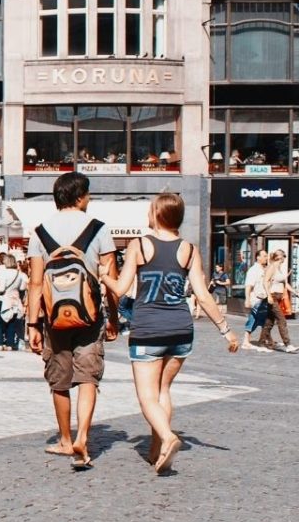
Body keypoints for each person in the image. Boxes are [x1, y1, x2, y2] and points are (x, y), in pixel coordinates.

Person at [102, 193, 239, 474]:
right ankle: (156, 450)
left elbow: (119, 288)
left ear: (157, 215)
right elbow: (202, 295)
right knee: (163, 390)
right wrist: (226, 331)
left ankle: (167, 437)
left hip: (148, 330)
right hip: (180, 330)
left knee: (147, 396)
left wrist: (103, 274)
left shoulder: (139, 246)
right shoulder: (188, 250)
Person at [26, 171, 119, 469]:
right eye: (88, 195)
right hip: (90, 317)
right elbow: (110, 280)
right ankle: (84, 438)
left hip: (54, 320)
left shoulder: (39, 233)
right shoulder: (100, 229)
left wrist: (32, 324)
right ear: (80, 197)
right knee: (88, 377)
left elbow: (36, 283)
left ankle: (66, 439)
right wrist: (113, 318)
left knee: (60, 381)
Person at [258, 250, 296, 352]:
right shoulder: (272, 267)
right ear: (280, 257)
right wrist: (269, 296)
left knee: (269, 322)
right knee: (281, 320)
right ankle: (288, 344)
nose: (284, 258)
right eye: (284, 256)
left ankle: (261, 343)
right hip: (273, 297)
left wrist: (295, 292)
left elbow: (284, 283)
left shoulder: (279, 268)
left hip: (277, 297)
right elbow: (265, 281)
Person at [0, 254, 27, 351]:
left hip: (3, 298)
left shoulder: (3, 273)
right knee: (12, 322)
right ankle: (9, 343)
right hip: (15, 299)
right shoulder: (19, 274)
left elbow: (2, 288)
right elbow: (22, 287)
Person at [241, 250, 270, 352]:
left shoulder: (264, 269)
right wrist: (247, 299)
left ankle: (264, 339)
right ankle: (246, 341)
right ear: (258, 257)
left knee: (263, 319)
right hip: (256, 299)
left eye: (267, 256)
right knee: (254, 319)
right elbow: (248, 286)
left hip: (264, 298)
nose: (266, 258)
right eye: (264, 256)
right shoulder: (253, 270)